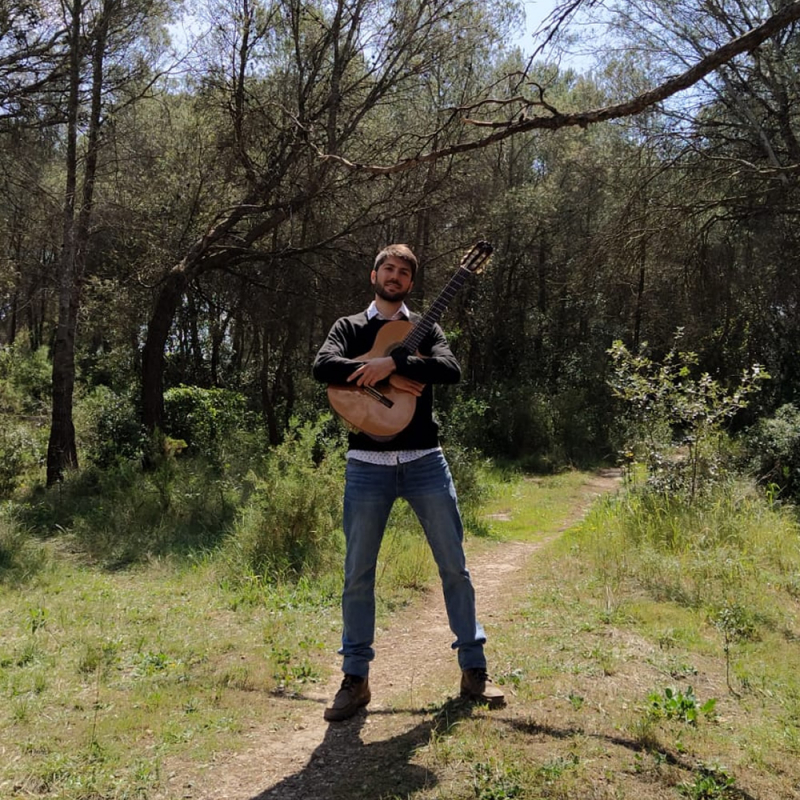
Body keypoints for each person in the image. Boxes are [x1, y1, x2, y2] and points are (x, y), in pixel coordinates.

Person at [312, 243, 505, 722]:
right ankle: (355, 679)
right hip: (366, 464)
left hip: (424, 461)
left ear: (411, 283)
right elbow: (323, 367)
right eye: (388, 268)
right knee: (358, 574)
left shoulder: (426, 329)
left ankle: (474, 670)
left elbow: (450, 369)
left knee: (454, 567)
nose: (394, 276)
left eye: (403, 272)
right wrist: (376, 373)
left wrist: (396, 364)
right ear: (374, 274)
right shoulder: (349, 327)